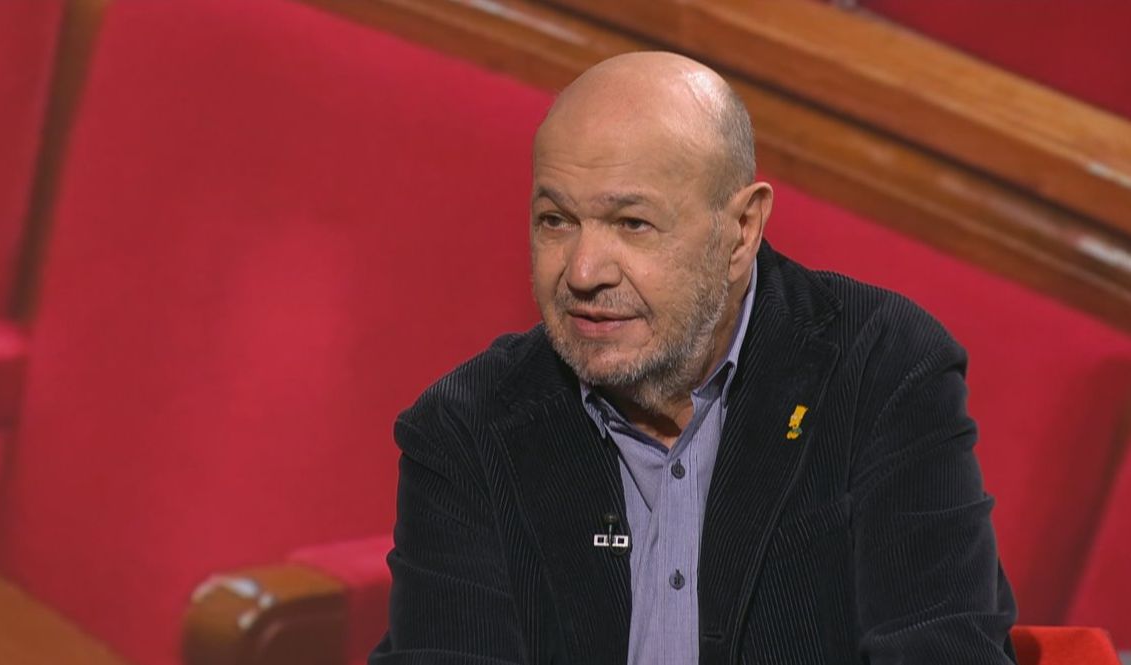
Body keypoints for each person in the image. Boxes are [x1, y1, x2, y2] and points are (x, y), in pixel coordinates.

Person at [370, 51, 1017, 665]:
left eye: (632, 223)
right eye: (555, 220)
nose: (583, 272)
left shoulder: (881, 371)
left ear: (740, 230)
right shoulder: (467, 428)